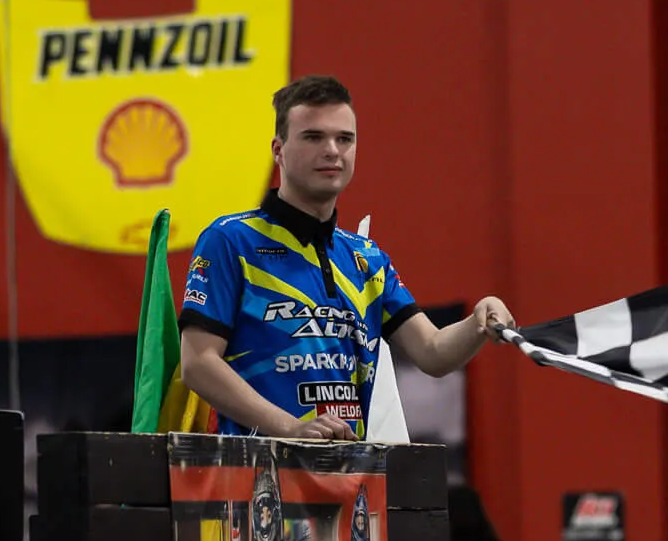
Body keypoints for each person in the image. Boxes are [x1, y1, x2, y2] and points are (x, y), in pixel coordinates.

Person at [178, 75, 513, 441]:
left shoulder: (367, 258)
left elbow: (433, 352)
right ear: (278, 150)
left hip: (349, 471)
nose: (332, 150)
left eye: (344, 139)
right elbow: (198, 363)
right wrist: (291, 428)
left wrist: (478, 321)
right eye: (313, 137)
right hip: (257, 470)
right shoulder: (230, 240)